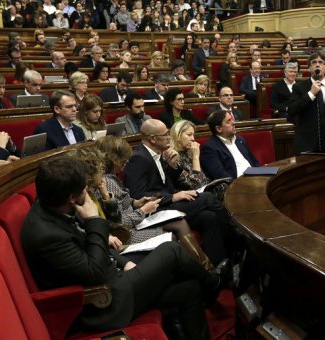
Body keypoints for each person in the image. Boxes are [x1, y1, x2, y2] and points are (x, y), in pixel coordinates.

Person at [21, 155, 221, 340]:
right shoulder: (47, 235)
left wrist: (124, 262)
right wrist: (92, 220)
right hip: (106, 302)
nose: (88, 195)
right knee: (171, 250)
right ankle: (215, 282)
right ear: (72, 197)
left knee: (190, 289)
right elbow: (96, 272)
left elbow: (92, 246)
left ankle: (207, 296)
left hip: (116, 276)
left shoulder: (55, 204)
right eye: (84, 190)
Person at [123, 119, 228, 265]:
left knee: (208, 217)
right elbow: (139, 196)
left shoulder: (160, 154)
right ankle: (239, 232)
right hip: (156, 210)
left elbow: (169, 183)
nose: (168, 137)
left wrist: (172, 166)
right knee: (207, 198)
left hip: (167, 205)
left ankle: (220, 264)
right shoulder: (139, 158)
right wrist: (172, 197)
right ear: (153, 139)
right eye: (165, 134)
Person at [287, 52, 325, 154]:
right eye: (314, 62)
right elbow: (291, 110)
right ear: (309, 68)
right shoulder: (299, 87)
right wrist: (311, 94)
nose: (317, 64)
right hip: (305, 143)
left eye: (321, 62)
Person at [200, 110, 260, 180]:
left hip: (255, 178)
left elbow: (254, 161)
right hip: (237, 185)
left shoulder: (240, 140)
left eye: (232, 119)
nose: (233, 123)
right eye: (228, 121)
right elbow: (221, 176)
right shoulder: (210, 148)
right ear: (219, 129)